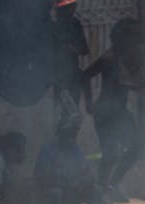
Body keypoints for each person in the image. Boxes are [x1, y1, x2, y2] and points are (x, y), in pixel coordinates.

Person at [83, 18, 142, 203]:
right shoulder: (109, 58)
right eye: (128, 37)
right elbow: (85, 75)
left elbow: (132, 84)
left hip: (120, 113)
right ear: (118, 38)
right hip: (105, 112)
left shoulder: (129, 58)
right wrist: (89, 103)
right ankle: (99, 194)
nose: (132, 41)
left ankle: (112, 184)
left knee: (136, 148)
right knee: (109, 153)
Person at [33, 122, 102, 204]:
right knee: (56, 193)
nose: (71, 138)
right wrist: (63, 184)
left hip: (74, 190)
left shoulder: (76, 150)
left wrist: (82, 182)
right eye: (68, 134)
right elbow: (42, 175)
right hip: (54, 190)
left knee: (96, 190)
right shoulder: (47, 150)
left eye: (73, 135)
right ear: (60, 135)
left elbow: (87, 172)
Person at [50, 0, 89, 129]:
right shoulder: (54, 27)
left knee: (72, 114)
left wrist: (72, 50)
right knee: (62, 113)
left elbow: (84, 49)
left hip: (71, 75)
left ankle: (69, 135)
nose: (73, 8)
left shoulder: (74, 25)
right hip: (60, 76)